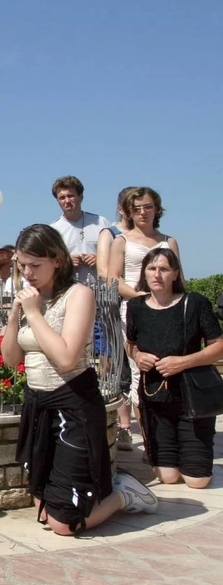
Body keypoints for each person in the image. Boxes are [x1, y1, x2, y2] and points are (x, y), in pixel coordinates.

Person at [1, 224, 157, 536]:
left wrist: (33, 314)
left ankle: (125, 494)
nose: (27, 272)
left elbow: (67, 358)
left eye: (35, 265)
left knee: (64, 524)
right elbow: (10, 359)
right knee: (43, 512)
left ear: (56, 260)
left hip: (73, 403)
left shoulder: (79, 294)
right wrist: (15, 311)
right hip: (38, 404)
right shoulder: (29, 300)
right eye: (22, 264)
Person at [126, 248, 223, 488]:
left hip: (192, 399)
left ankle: (193, 455)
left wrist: (184, 361)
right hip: (155, 398)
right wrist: (138, 356)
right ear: (144, 273)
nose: (157, 274)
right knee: (168, 478)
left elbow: (219, 347)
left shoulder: (195, 303)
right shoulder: (136, 307)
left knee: (197, 481)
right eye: (151, 268)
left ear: (175, 274)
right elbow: (131, 344)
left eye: (164, 269)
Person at [109, 187, 183, 454]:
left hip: (171, 312)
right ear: (129, 211)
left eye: (148, 206)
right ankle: (153, 445)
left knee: (172, 369)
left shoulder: (169, 241)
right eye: (137, 208)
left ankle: (176, 436)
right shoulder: (122, 241)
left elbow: (179, 278)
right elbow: (113, 280)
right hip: (136, 311)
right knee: (142, 374)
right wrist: (142, 296)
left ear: (157, 209)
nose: (142, 212)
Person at [95, 186, 137, 445]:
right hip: (116, 305)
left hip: (147, 305)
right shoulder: (110, 234)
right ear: (121, 208)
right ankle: (123, 426)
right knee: (117, 367)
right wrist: (138, 294)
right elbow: (104, 273)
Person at [49, 176, 111, 285]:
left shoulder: (101, 222)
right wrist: (66, 262)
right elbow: (48, 264)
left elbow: (118, 256)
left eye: (70, 196)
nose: (67, 201)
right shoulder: (53, 230)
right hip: (69, 290)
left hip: (102, 292)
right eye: (62, 198)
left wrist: (101, 259)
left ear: (81, 197)